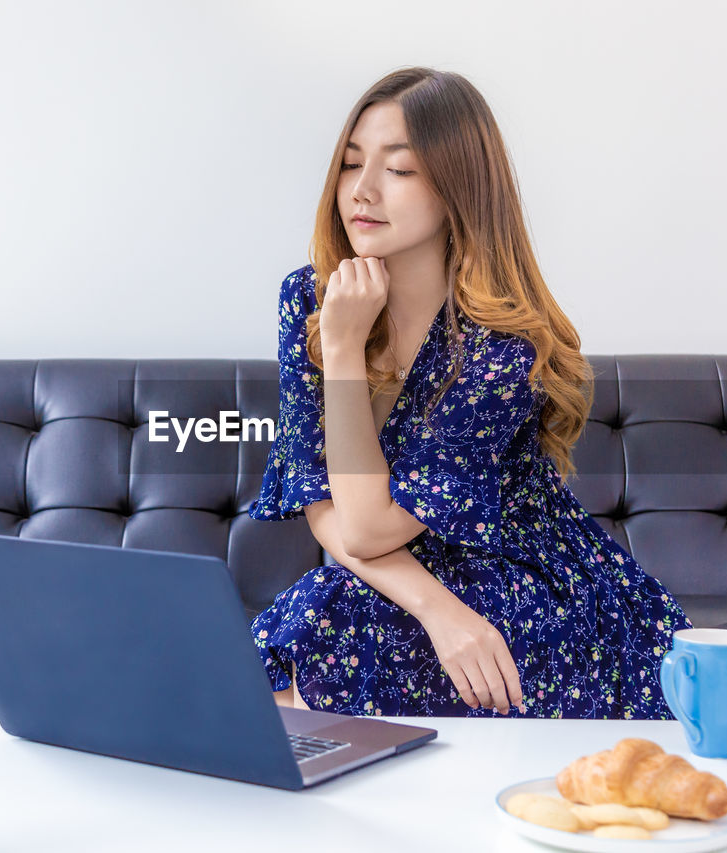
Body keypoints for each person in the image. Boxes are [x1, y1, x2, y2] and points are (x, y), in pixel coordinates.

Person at [247, 67, 693, 719]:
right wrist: (437, 609)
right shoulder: (311, 299)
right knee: (318, 612)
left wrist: (343, 352)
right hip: (410, 571)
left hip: (529, 570)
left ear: (457, 188)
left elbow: (369, 528)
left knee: (331, 615)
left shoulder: (499, 344)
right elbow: (325, 506)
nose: (362, 191)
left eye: (398, 170)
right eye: (350, 164)